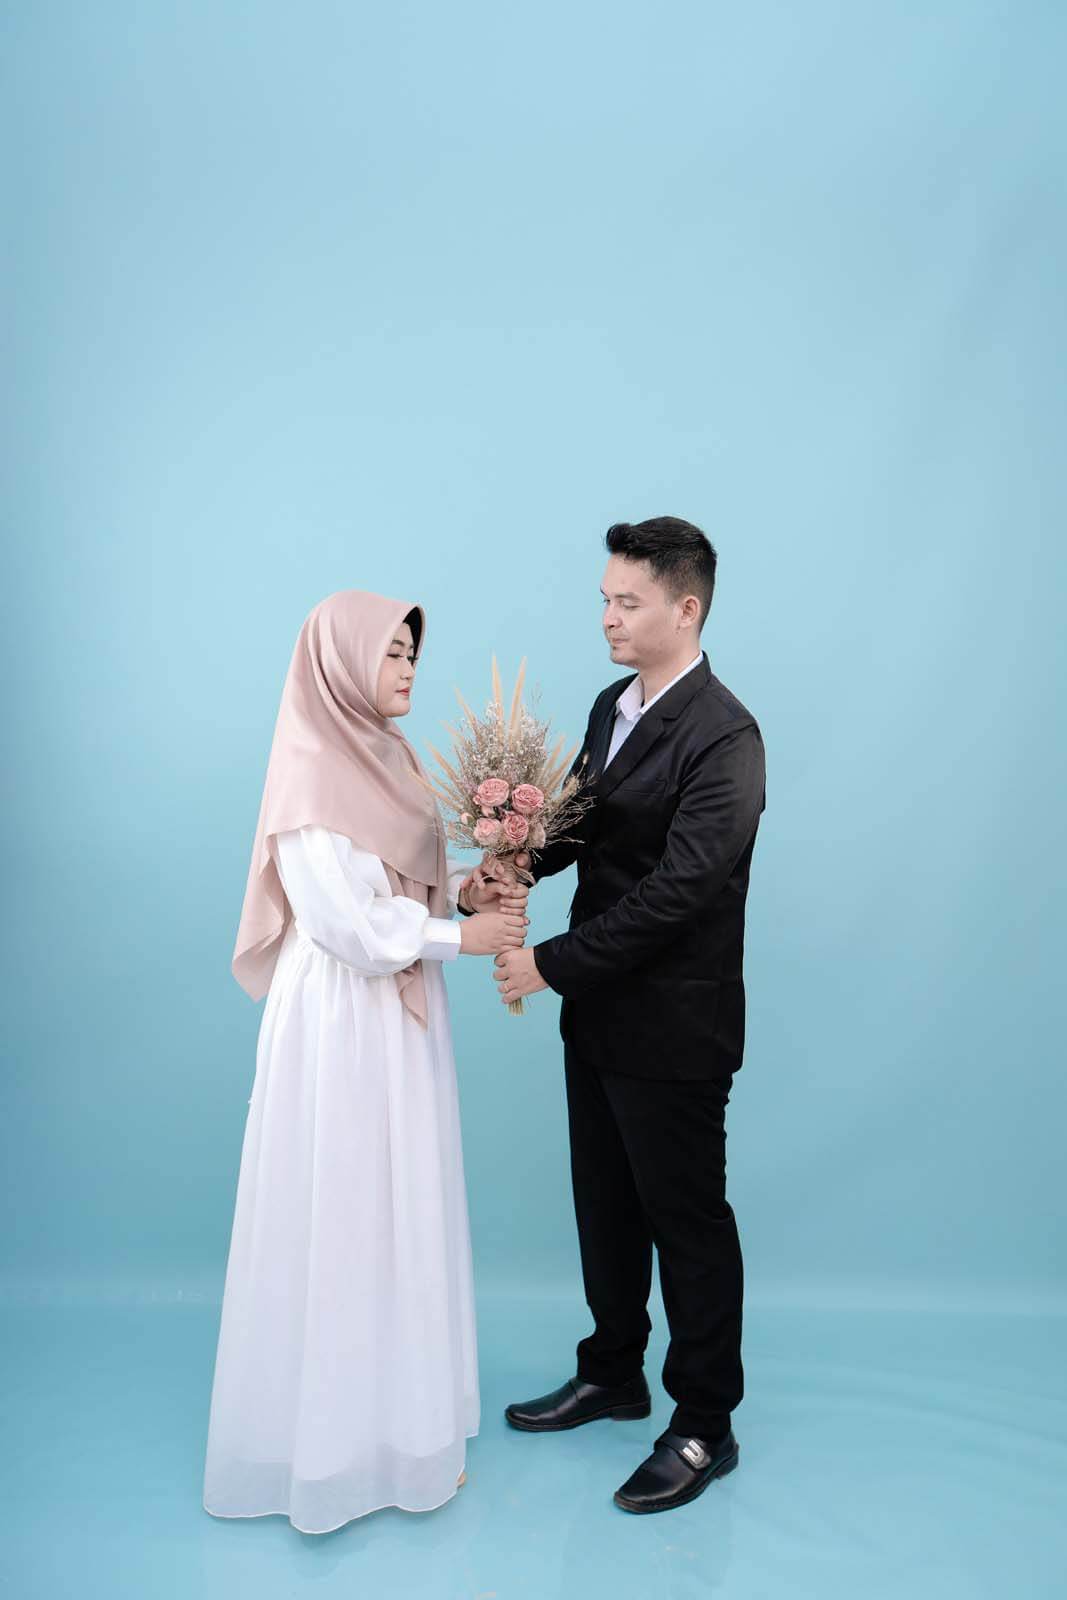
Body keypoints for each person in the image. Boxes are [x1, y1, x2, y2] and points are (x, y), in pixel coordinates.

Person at [203, 589, 529, 1535]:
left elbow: (395, 882)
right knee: (343, 1202)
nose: (407, 669)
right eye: (390, 652)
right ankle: (327, 1449)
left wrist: (466, 890)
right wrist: (461, 941)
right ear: (341, 663)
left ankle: (400, 1429)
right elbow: (345, 922)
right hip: (342, 1016)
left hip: (396, 1010)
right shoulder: (311, 770)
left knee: (396, 1202)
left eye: (412, 654)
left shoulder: (389, 757)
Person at [491, 517, 766, 1515]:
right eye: (604, 599)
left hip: (675, 1026)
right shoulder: (612, 705)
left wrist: (546, 964)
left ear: (684, 609)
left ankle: (703, 1423)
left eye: (627, 601)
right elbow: (580, 824)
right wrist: (514, 863)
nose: (607, 617)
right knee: (603, 1205)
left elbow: (678, 894)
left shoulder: (725, 737)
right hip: (599, 1014)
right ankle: (611, 1371)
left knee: (684, 1222)